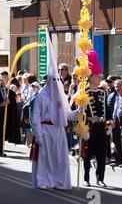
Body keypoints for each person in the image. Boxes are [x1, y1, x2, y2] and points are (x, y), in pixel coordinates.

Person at [30, 33, 77, 190]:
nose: (56, 83)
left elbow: (68, 113)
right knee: (45, 158)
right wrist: (37, 135)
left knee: (59, 159)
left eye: (58, 80)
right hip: (45, 130)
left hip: (59, 131)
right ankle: (43, 181)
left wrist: (80, 111)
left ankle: (59, 181)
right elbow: (35, 117)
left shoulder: (62, 96)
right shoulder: (40, 97)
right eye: (54, 80)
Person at [82, 50, 112, 187]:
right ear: (91, 77)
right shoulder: (84, 93)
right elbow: (80, 112)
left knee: (101, 153)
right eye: (98, 76)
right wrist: (83, 128)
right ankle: (86, 177)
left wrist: (110, 122)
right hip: (89, 125)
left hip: (101, 126)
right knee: (87, 153)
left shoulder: (103, 92)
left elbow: (107, 108)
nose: (100, 78)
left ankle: (100, 177)